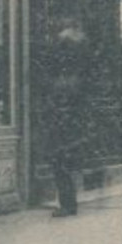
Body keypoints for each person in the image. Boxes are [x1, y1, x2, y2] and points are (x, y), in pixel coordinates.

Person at [43, 19, 91, 218]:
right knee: (66, 163)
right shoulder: (78, 78)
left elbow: (59, 107)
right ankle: (69, 203)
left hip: (63, 128)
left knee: (60, 162)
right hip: (73, 126)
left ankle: (68, 205)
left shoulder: (63, 82)